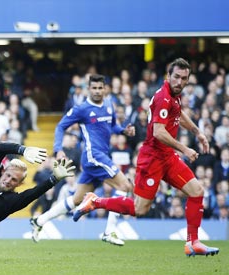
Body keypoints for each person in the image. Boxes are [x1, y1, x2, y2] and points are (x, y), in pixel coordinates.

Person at [72, 58, 219, 257]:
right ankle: (95, 201)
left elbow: (178, 113)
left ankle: (193, 243)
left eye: (184, 78)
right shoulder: (163, 97)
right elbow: (158, 132)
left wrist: (197, 132)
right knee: (140, 209)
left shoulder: (174, 97)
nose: (179, 81)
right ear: (168, 76)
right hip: (152, 159)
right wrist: (184, 148)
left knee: (197, 191)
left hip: (167, 157)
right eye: (176, 77)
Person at [30, 74, 135, 246]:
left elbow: (112, 126)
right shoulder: (82, 109)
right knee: (124, 186)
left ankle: (39, 221)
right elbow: (60, 126)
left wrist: (124, 131)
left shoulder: (109, 105)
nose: (97, 91)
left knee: (76, 200)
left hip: (101, 156)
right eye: (94, 88)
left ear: (105, 89)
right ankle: (109, 231)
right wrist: (58, 150)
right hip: (93, 156)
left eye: (100, 88)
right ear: (88, 89)